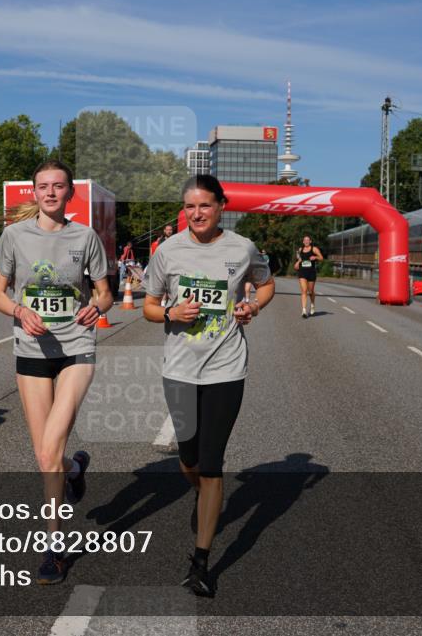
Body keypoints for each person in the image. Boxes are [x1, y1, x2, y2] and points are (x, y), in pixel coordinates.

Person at [143, 174, 274, 597]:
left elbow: (266, 282)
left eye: (205, 205)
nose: (197, 213)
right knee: (189, 461)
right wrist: (169, 314)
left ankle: (201, 562)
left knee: (213, 462)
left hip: (226, 368)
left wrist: (252, 303)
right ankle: (205, 498)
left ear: (221, 206)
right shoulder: (168, 250)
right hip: (179, 370)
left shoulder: (242, 249)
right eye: (190, 207)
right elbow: (148, 304)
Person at [0, 159, 113, 585]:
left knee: (46, 454)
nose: (50, 193)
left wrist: (96, 307)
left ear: (69, 193)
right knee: (48, 455)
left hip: (77, 346)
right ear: (34, 192)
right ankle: (74, 471)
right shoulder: (14, 237)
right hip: (31, 347)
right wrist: (21, 311)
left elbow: (105, 292)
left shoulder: (85, 236)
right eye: (42, 186)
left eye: (58, 186)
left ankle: (54, 547)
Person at [293, 236, 323, 318]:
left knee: (311, 291)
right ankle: (304, 310)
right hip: (302, 272)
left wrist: (315, 257)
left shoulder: (314, 249)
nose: (306, 241)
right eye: (305, 240)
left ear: (310, 241)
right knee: (304, 290)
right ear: (303, 242)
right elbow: (299, 259)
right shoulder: (300, 250)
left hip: (311, 272)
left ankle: (312, 304)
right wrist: (297, 263)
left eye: (308, 240)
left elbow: (321, 258)